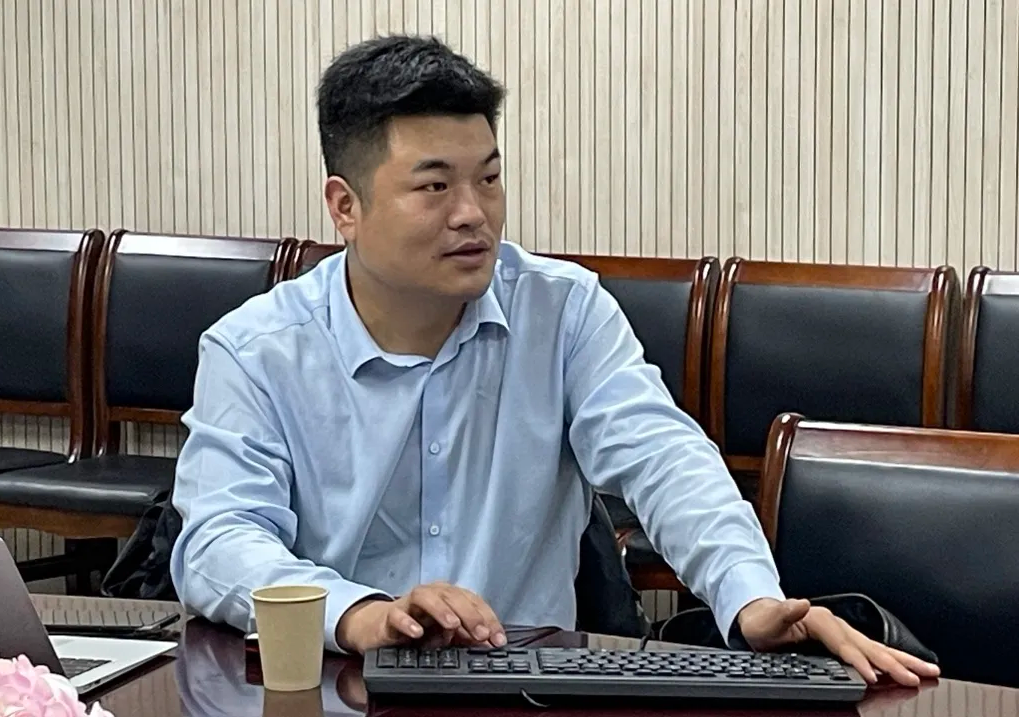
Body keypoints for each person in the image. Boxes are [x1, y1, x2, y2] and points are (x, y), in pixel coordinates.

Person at [169, 34, 939, 688]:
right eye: (434, 186)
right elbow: (219, 540)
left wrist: (749, 597)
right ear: (345, 206)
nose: (472, 213)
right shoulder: (256, 350)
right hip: (337, 685)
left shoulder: (562, 310)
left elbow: (664, 458)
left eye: (489, 178)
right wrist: (360, 612)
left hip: (526, 686)